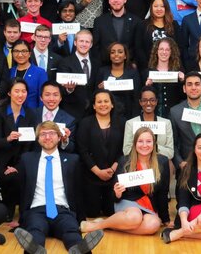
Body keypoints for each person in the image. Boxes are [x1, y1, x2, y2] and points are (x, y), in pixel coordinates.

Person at [12, 121, 105, 254]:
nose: (47, 137)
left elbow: (79, 190)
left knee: (71, 230)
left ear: (59, 137)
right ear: (38, 139)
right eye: (43, 134)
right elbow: (21, 188)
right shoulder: (27, 159)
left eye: (51, 133)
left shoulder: (73, 160)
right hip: (36, 210)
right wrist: (20, 218)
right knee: (35, 230)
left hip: (63, 210)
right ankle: (34, 250)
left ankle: (80, 248)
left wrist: (81, 219)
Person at [80, 127, 170, 234]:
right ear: (135, 143)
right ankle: (95, 226)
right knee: (135, 217)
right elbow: (114, 195)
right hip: (127, 201)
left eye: (148, 141)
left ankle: (111, 225)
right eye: (140, 141)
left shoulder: (163, 161)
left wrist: (165, 219)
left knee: (154, 224)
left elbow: (163, 192)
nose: (144, 145)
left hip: (148, 204)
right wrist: (117, 193)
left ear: (154, 143)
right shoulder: (124, 161)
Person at [0, 78, 38, 222]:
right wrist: (8, 139)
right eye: (16, 91)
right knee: (4, 175)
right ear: (9, 93)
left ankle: (15, 212)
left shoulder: (31, 114)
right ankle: (3, 210)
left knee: (17, 175)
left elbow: (30, 145)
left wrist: (17, 166)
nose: (20, 95)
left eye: (23, 91)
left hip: (20, 160)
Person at [76, 89, 125, 218]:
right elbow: (83, 151)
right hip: (91, 175)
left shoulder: (122, 123)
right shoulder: (85, 123)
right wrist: (98, 171)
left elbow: (123, 149)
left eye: (106, 101)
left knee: (111, 212)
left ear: (112, 104)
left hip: (113, 175)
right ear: (93, 106)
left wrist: (113, 169)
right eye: (99, 102)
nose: (103, 104)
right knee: (92, 213)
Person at [92, 0, 143, 66]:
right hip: (105, 67)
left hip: (128, 67)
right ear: (109, 1)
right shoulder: (99, 21)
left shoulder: (136, 21)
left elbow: (138, 47)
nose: (116, 0)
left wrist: (134, 63)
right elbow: (95, 48)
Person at [122, 86, 175, 160]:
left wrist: (152, 146)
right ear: (140, 102)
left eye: (152, 100)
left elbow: (170, 153)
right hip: (138, 166)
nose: (148, 103)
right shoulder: (130, 124)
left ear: (156, 101)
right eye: (144, 100)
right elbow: (126, 151)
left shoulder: (166, 123)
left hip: (160, 166)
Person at [58, 29, 99, 119]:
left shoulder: (97, 63)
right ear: (75, 42)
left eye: (87, 42)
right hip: (71, 111)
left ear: (91, 45)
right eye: (81, 41)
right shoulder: (65, 62)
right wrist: (69, 89)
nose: (84, 44)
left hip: (93, 112)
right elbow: (60, 89)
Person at [135, 0, 182, 70]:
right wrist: (147, 65)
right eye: (156, 6)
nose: (159, 9)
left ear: (166, 8)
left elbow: (179, 46)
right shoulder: (142, 25)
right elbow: (138, 48)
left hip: (171, 67)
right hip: (147, 67)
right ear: (151, 8)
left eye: (162, 6)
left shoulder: (174, 25)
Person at [95, 42, 140, 119]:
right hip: (106, 115)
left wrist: (134, 118)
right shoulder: (102, 71)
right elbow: (95, 94)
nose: (116, 54)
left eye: (120, 52)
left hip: (127, 115)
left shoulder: (132, 72)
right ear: (109, 56)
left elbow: (136, 97)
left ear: (125, 56)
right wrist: (100, 89)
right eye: (112, 52)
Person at [143, 37, 185, 118]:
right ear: (156, 51)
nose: (164, 52)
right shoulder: (147, 72)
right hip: (153, 114)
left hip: (174, 114)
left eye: (167, 50)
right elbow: (142, 97)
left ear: (171, 52)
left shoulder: (178, 71)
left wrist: (183, 81)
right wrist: (147, 86)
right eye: (161, 49)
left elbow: (183, 96)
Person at [32, 82, 76, 152]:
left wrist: (64, 141)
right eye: (47, 95)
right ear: (41, 97)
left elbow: (71, 148)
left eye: (55, 95)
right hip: (33, 158)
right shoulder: (31, 114)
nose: (51, 99)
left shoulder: (69, 120)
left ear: (61, 98)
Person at [10, 40, 47, 110]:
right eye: (16, 51)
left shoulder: (40, 72)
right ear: (12, 53)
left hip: (32, 114)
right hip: (11, 114)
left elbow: (42, 98)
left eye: (24, 51)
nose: (20, 54)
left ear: (30, 54)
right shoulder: (10, 71)